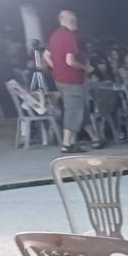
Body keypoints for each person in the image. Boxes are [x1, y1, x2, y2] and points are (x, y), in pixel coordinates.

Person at [43, 10, 105, 153]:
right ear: (71, 21)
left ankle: (94, 138)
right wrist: (86, 68)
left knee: (80, 108)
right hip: (72, 80)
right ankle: (67, 144)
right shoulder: (69, 36)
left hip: (60, 79)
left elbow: (46, 55)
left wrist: (56, 68)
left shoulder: (55, 34)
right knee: (73, 110)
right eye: (75, 20)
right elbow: (70, 61)